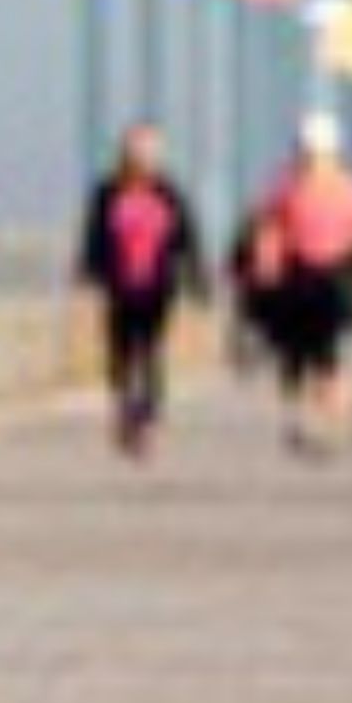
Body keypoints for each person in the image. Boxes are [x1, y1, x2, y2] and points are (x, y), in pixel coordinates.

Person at [244, 114, 352, 457]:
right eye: (307, 153)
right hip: (297, 279)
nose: (311, 160)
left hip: (335, 280)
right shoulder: (286, 188)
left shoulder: (350, 189)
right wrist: (265, 267)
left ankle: (331, 423)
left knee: (329, 359)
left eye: (317, 153)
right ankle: (301, 419)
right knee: (294, 356)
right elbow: (269, 232)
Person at [72, 124, 201, 461]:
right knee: (121, 352)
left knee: (151, 351)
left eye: (148, 154)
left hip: (157, 285)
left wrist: (196, 278)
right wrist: (87, 273)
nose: (142, 161)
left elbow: (186, 238)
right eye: (136, 154)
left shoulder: (168, 194)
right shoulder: (107, 193)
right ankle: (123, 410)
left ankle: (147, 420)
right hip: (119, 285)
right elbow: (94, 236)